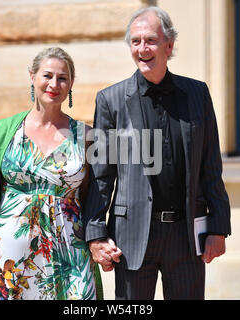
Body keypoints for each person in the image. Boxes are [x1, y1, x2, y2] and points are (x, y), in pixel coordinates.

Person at [84, 6, 231, 300]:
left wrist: (218, 225)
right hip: (131, 237)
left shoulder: (197, 94)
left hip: (185, 236)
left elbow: (211, 166)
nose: (142, 48)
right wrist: (96, 234)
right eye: (135, 42)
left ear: (169, 45)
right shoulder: (109, 101)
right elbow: (101, 176)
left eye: (150, 40)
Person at [0, 47, 102, 300]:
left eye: (62, 78)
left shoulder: (86, 137)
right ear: (32, 77)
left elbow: (92, 197)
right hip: (12, 254)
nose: (54, 84)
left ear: (71, 84)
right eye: (47, 75)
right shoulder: (4, 132)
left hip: (71, 252)